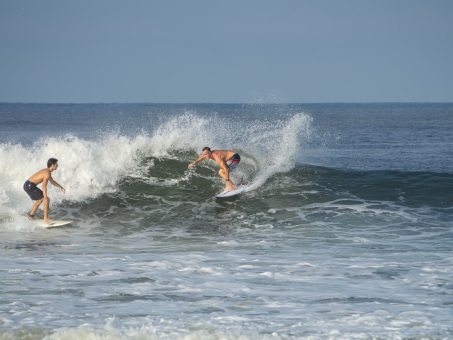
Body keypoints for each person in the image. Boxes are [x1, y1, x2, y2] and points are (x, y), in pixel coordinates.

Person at [23, 158, 66, 222]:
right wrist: (45, 197)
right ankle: (46, 219)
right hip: (30, 185)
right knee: (46, 199)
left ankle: (31, 217)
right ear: (52, 165)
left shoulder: (47, 172)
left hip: (27, 185)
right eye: (56, 164)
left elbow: (52, 181)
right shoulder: (47, 173)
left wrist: (61, 187)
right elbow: (44, 186)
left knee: (39, 200)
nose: (57, 165)